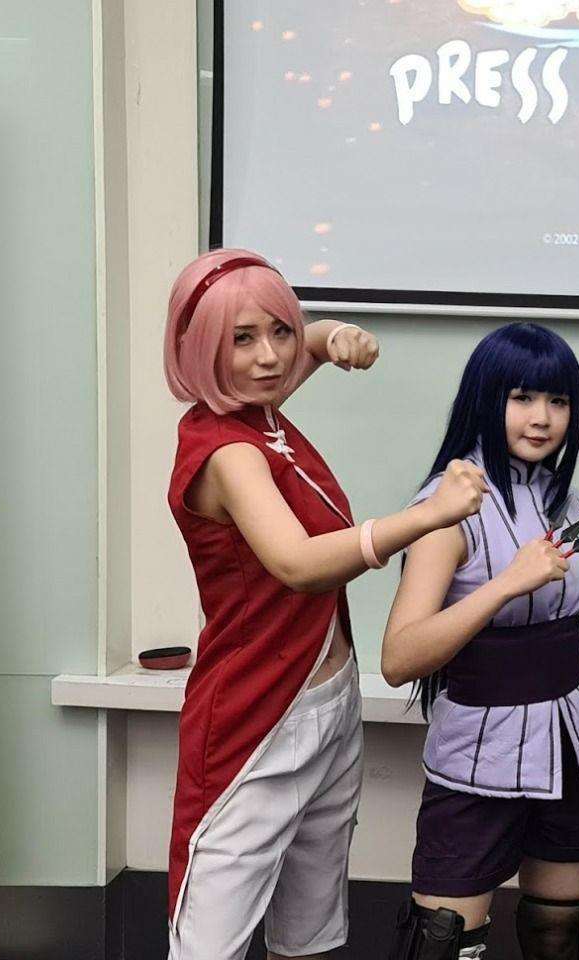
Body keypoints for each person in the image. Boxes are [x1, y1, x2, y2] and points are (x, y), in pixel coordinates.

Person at [163, 248, 488, 960]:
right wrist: (427, 516)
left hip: (328, 704)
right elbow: (299, 565)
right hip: (258, 712)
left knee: (309, 931)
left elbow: (293, 352)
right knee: (210, 941)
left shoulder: (259, 415)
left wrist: (327, 334)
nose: (269, 356)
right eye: (241, 339)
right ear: (200, 346)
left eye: (278, 331)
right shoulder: (227, 451)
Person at [383, 322, 579, 960]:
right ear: (487, 398)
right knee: (443, 944)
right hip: (478, 753)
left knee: (555, 935)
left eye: (559, 401)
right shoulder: (445, 507)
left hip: (573, 744)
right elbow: (400, 658)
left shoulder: (571, 501)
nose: (542, 418)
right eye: (523, 397)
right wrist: (508, 583)